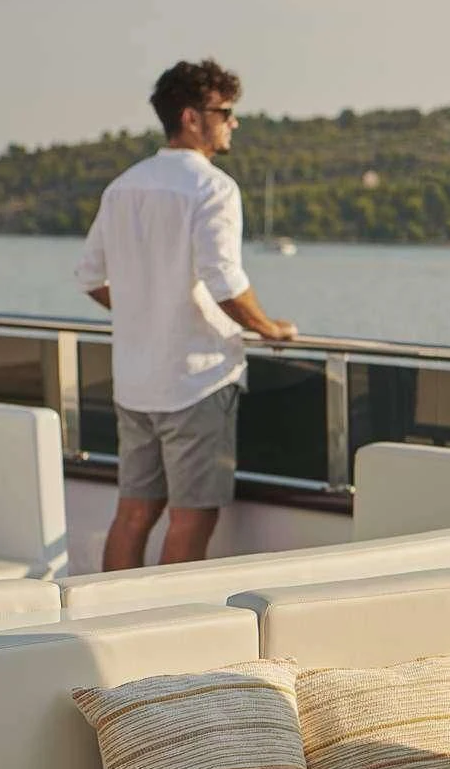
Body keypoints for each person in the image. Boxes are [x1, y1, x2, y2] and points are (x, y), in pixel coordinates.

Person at [74, 59, 297, 569]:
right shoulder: (214, 188)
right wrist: (269, 328)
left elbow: (90, 278)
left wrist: (144, 310)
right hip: (196, 381)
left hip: (134, 382)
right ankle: (169, 631)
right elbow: (225, 282)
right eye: (226, 112)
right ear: (192, 117)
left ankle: (110, 622)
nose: (233, 122)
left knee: (132, 513)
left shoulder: (123, 186)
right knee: (191, 518)